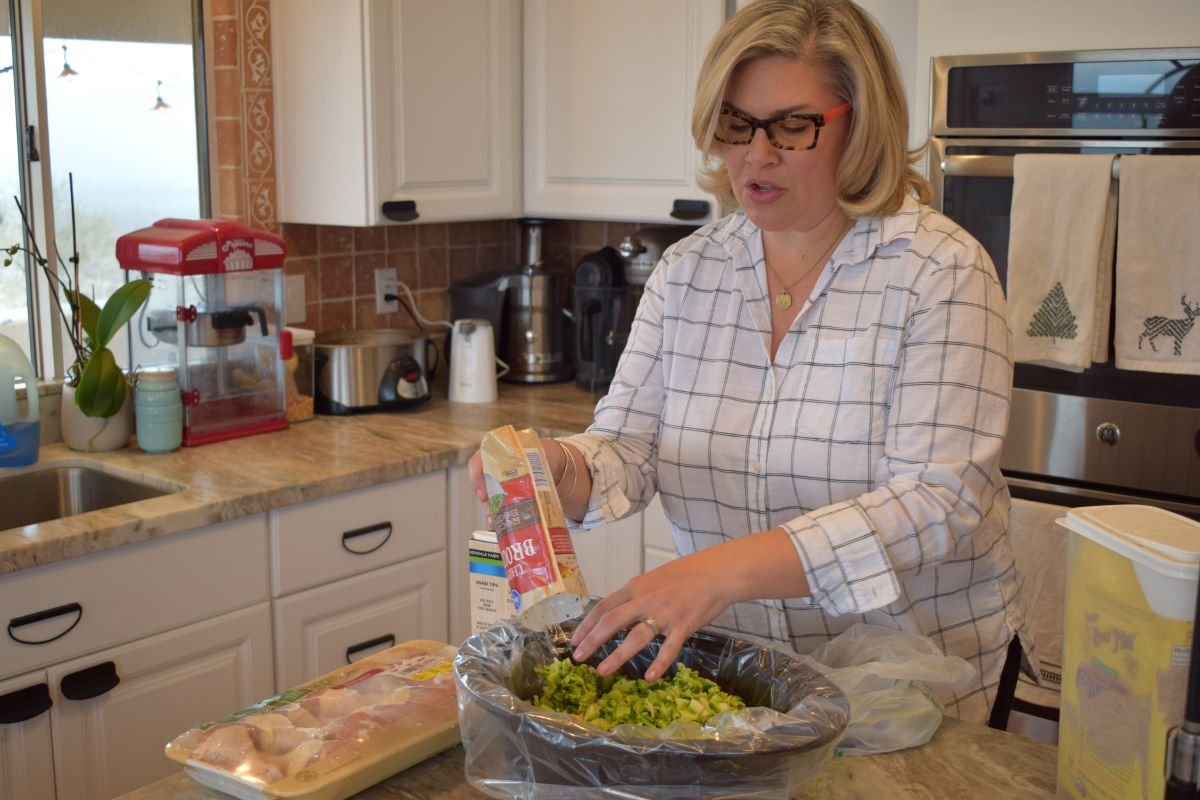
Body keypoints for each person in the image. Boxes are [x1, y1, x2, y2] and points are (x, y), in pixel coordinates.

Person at [470, 0, 1034, 725]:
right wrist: (557, 469)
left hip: (919, 696)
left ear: (859, 124)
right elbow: (629, 448)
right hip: (750, 698)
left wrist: (717, 572)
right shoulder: (689, 272)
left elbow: (936, 502)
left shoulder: (939, 270)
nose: (755, 155)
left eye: (792, 127)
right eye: (736, 124)